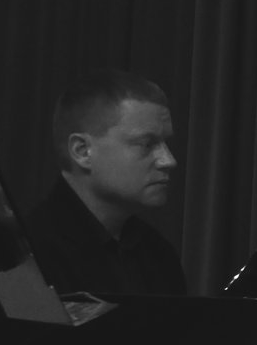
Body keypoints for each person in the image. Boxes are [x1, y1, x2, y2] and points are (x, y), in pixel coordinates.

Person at [25, 69, 187, 296]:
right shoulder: (27, 256)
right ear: (82, 151)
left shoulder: (159, 256)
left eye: (165, 144)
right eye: (147, 144)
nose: (169, 160)